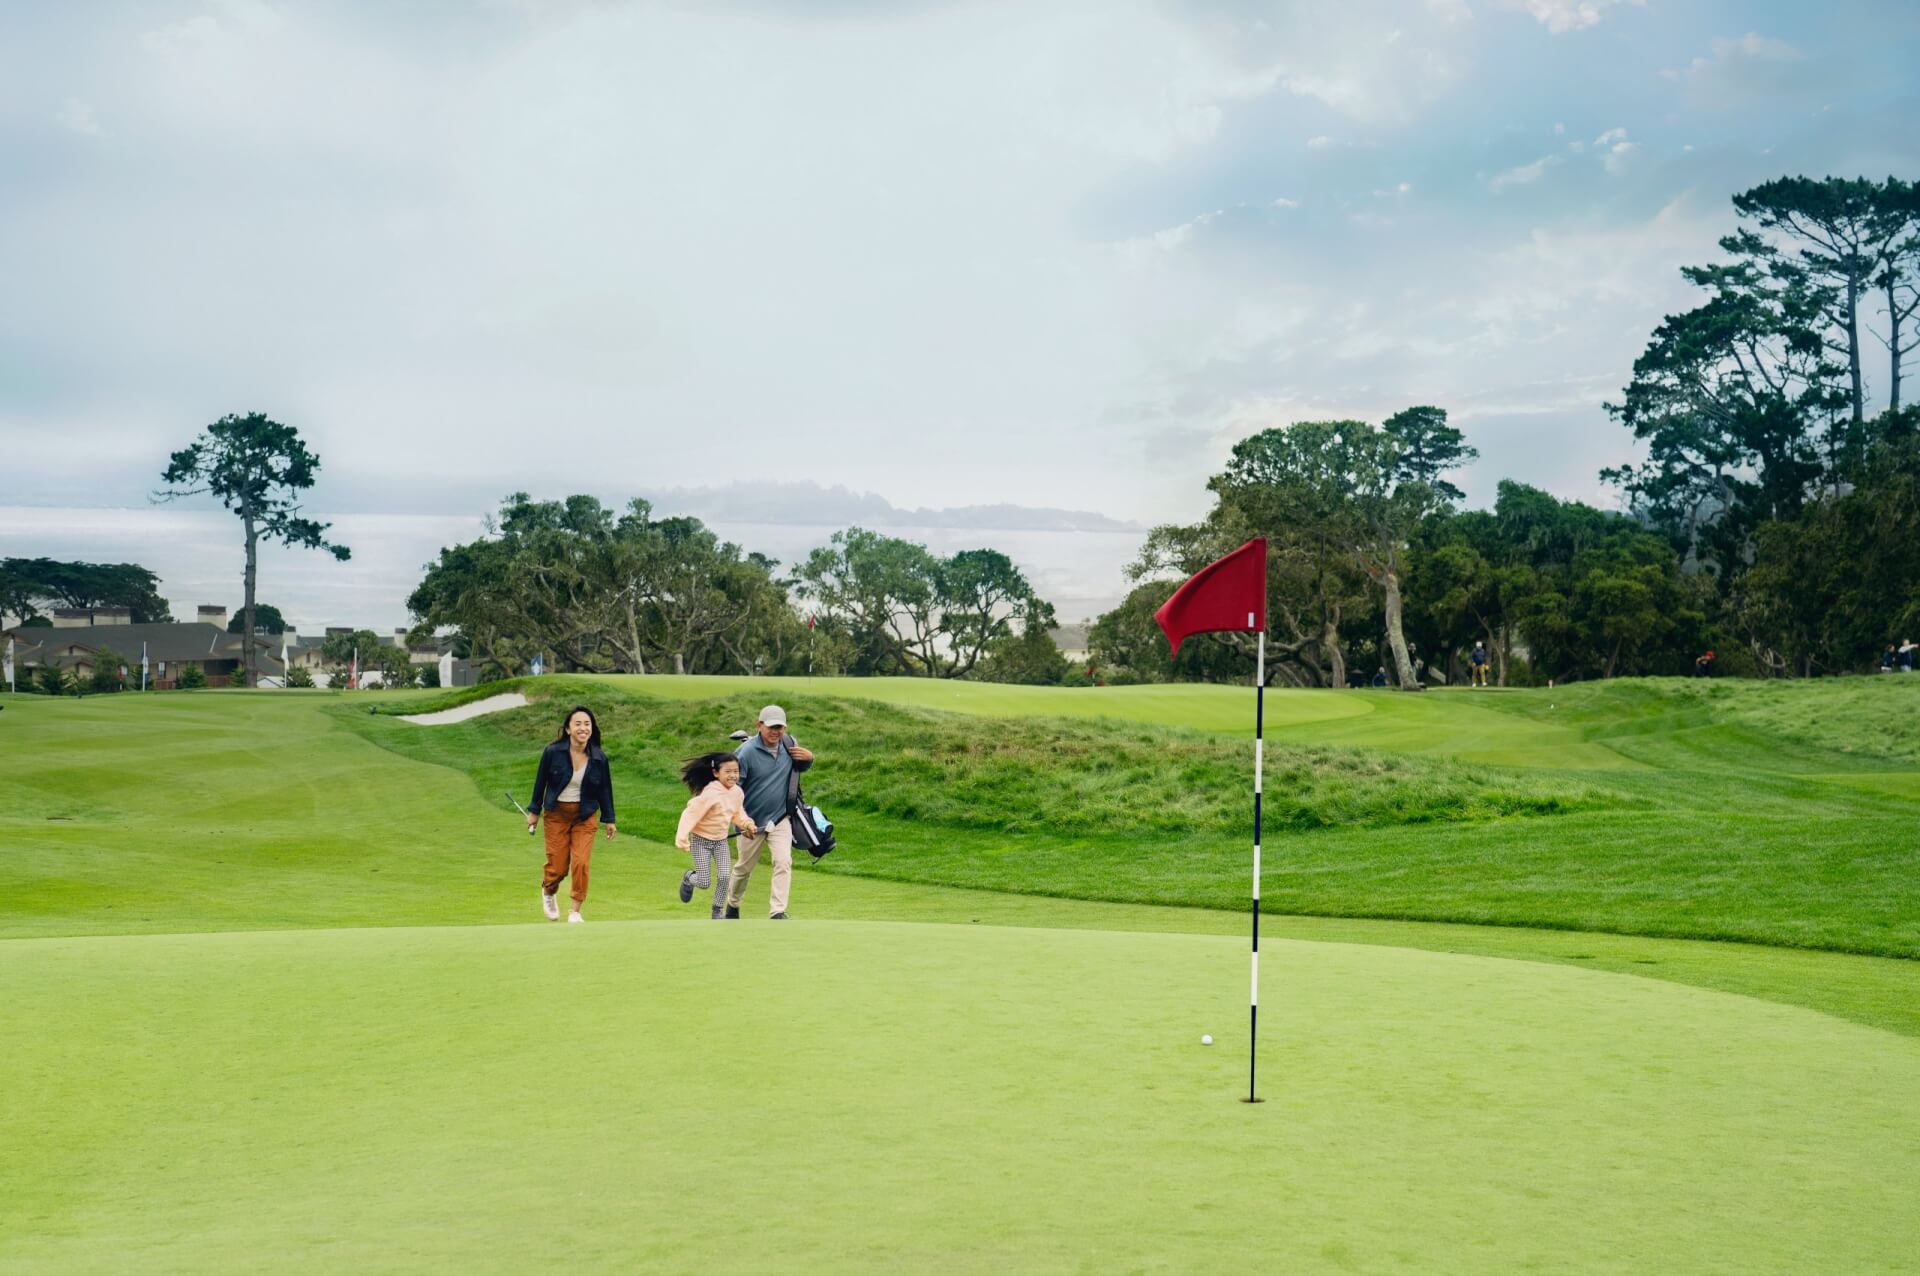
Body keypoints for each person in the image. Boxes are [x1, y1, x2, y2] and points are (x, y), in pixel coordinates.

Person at [527, 704, 617, 923]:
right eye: (577, 724)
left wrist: (609, 819)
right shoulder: (552, 752)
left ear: (592, 729)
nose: (583, 728)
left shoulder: (599, 758)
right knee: (557, 867)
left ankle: (575, 911)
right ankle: (549, 891)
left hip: (584, 815)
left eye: (587, 724)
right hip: (556, 814)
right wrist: (534, 811)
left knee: (581, 863)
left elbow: (605, 789)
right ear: (568, 729)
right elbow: (541, 782)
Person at [723, 705, 815, 921]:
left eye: (780, 727)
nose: (776, 732)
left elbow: (799, 768)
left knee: (783, 861)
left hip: (780, 818)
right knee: (744, 868)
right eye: (771, 727)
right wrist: (741, 821)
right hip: (750, 821)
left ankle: (777, 911)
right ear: (759, 725)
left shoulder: (789, 744)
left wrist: (810, 759)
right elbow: (733, 791)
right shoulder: (745, 753)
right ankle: (733, 904)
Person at [675, 752, 757, 919]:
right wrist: (682, 836)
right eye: (728, 771)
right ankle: (689, 878)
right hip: (701, 841)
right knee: (704, 882)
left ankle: (717, 911)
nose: (733, 775)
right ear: (716, 773)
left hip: (720, 841)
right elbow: (691, 814)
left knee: (725, 876)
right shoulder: (710, 793)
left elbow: (737, 813)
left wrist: (747, 823)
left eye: (736, 771)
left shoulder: (737, 792)